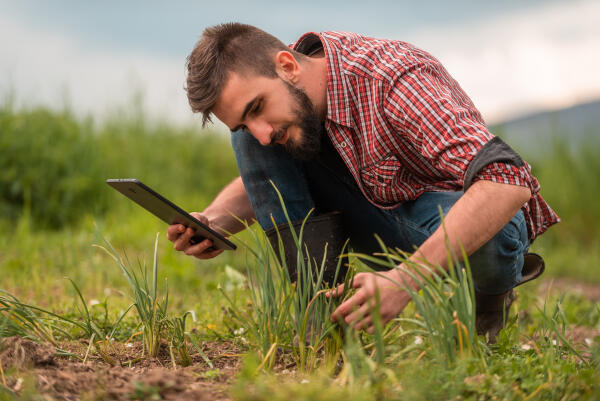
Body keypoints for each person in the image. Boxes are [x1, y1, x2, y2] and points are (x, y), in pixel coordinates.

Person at [167, 23, 559, 342]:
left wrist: (406, 280)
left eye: (257, 108)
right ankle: (326, 321)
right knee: (255, 141)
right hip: (377, 215)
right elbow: (275, 176)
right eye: (244, 119)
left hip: (463, 225)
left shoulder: (393, 78)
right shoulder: (286, 105)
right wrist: (214, 220)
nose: (262, 132)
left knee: (494, 237)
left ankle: (487, 302)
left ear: (288, 66)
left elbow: (507, 180)